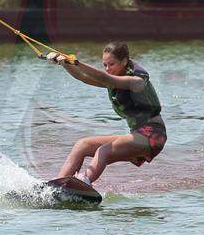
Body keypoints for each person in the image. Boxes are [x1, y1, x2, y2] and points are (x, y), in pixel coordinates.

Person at [41, 41, 166, 187]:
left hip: (152, 135)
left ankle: (84, 183)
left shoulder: (137, 81)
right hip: (137, 134)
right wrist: (65, 64)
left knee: (104, 150)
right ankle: (57, 186)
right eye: (105, 65)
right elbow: (84, 77)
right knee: (82, 145)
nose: (107, 69)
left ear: (125, 61)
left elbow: (105, 78)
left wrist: (76, 62)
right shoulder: (113, 78)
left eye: (111, 64)